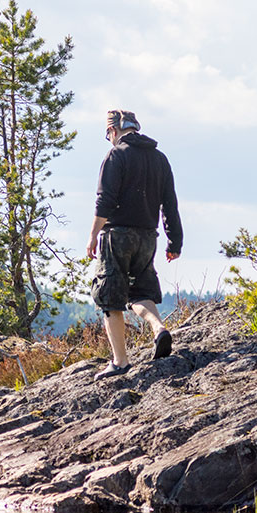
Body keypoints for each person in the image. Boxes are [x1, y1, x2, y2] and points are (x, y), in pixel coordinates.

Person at [86, 110, 183, 381]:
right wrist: (175, 240)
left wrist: (93, 235)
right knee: (140, 292)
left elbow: (104, 201)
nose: (109, 140)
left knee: (110, 299)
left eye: (108, 135)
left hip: (117, 236)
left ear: (115, 131)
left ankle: (120, 362)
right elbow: (170, 204)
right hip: (147, 237)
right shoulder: (159, 159)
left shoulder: (116, 156)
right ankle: (158, 328)